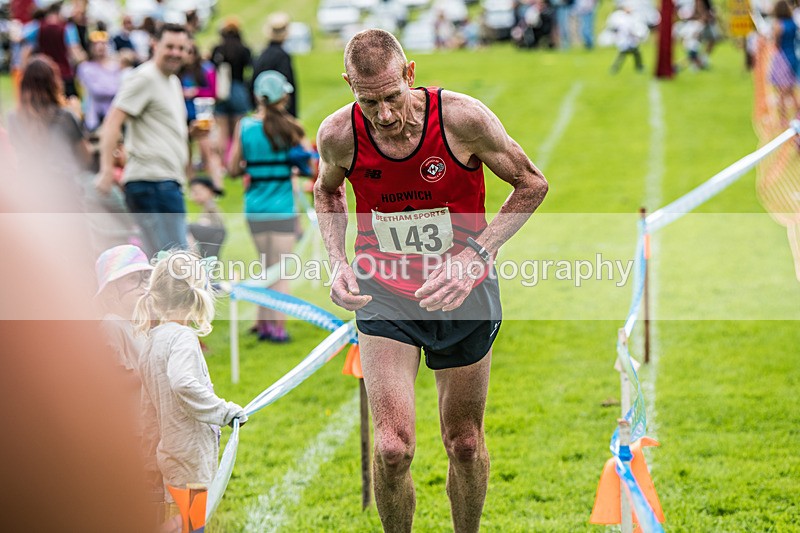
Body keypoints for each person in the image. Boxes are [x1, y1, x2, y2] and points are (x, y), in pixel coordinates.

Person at [313, 29, 548, 532]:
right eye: (368, 100)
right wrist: (336, 260)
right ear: (349, 84)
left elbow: (531, 184)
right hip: (386, 292)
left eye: (392, 97)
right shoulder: (339, 134)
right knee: (392, 447)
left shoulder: (462, 119)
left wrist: (475, 255)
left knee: (464, 443)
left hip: (462, 290)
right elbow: (327, 193)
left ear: (410, 74)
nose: (385, 115)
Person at [133, 251, 248, 519]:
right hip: (190, 463)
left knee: (177, 522)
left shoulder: (152, 340)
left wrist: (150, 458)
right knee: (191, 525)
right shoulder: (182, 337)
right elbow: (183, 383)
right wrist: (224, 411)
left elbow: (147, 412)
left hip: (170, 459)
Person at [229, 70, 312, 343]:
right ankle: (277, 328)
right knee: (281, 270)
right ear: (284, 96)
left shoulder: (245, 127)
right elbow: (311, 168)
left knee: (265, 266)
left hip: (255, 208)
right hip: (282, 209)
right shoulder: (292, 128)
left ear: (258, 96)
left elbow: (232, 168)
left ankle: (263, 324)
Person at [96, 23, 191, 257]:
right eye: (169, 46)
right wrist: (107, 170)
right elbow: (112, 122)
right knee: (174, 267)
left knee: (169, 265)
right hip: (151, 183)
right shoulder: (144, 78)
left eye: (181, 48)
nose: (175, 53)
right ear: (155, 45)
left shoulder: (172, 81)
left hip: (167, 181)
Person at [7, 54, 92, 206]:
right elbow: (85, 158)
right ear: (54, 82)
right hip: (64, 191)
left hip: (29, 191)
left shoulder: (13, 118)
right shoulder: (64, 116)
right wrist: (77, 116)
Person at [211, 17, 252, 162]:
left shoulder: (218, 49)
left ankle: (223, 163)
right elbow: (250, 68)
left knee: (222, 130)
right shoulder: (244, 49)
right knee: (238, 131)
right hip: (238, 89)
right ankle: (237, 160)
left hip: (221, 90)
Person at [252, 12, 297, 117]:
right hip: (280, 112)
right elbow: (288, 85)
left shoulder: (262, 54)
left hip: (263, 109)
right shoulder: (282, 56)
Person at [75, 30, 122, 132]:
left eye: (103, 43)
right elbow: (97, 91)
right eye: (96, 44)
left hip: (113, 115)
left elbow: (120, 88)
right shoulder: (85, 67)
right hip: (95, 117)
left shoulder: (115, 66)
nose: (100, 47)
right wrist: (113, 89)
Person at [769, 0, 800, 122]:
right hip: (793, 57)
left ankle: (782, 119)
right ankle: (797, 113)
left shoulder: (778, 24)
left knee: (781, 91)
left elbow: (776, 43)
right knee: (791, 91)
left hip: (782, 58)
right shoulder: (793, 23)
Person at [187, 176, 226, 258]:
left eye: (198, 192)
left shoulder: (211, 210)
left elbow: (208, 226)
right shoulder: (207, 208)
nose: (195, 195)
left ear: (210, 191)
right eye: (193, 192)